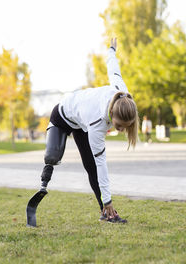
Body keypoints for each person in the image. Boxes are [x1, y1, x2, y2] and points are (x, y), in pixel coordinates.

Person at [40, 38, 139, 223]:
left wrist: (111, 50)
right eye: (118, 126)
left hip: (81, 122)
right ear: (111, 112)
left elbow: (114, 69)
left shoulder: (123, 94)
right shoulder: (97, 123)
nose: (121, 130)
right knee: (53, 156)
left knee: (90, 166)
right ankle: (43, 183)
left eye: (126, 128)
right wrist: (108, 198)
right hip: (62, 115)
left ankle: (105, 212)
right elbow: (103, 164)